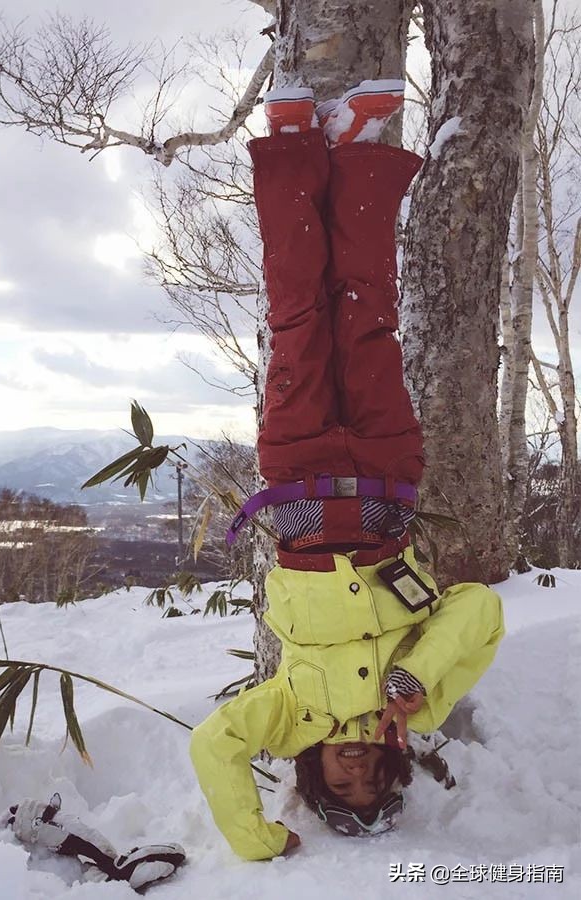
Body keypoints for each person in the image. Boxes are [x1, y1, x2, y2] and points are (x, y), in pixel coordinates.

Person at [189, 79, 505, 860]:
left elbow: (213, 746)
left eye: (342, 786)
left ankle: (294, 147)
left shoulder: (287, 716)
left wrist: (258, 840)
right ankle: (358, 151)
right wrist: (415, 678)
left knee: (298, 321)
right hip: (387, 482)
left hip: (296, 490)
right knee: (366, 316)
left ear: (316, 774)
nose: (357, 770)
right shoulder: (422, 710)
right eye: (375, 782)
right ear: (397, 765)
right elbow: (477, 613)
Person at [0, 793, 185, 893]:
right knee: (115, 867)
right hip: (54, 832)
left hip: (56, 831)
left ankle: (147, 860)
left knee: (115, 867)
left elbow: (90, 842)